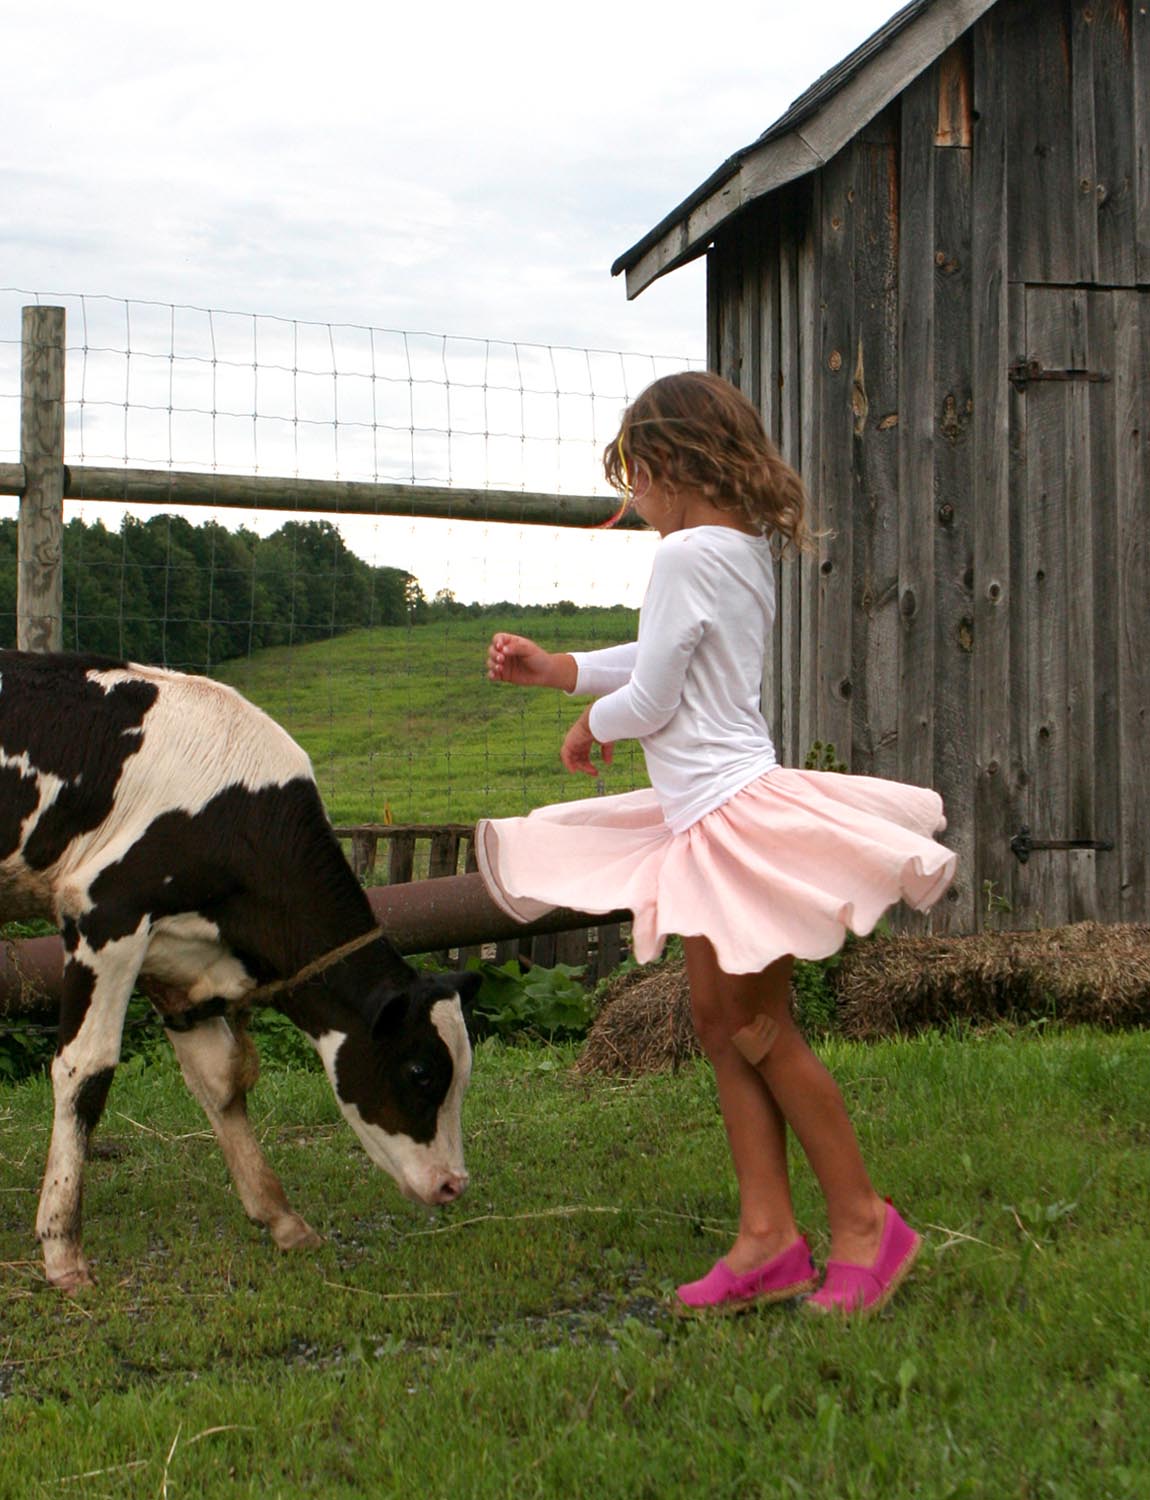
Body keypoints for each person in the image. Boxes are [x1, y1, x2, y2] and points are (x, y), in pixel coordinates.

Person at [475, 371, 956, 1316]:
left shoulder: (687, 554)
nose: (634, 505)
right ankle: (768, 1239)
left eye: (632, 485)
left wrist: (593, 727)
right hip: (705, 820)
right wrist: (560, 671)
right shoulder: (731, 550)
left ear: (660, 466)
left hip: (728, 814)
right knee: (716, 1020)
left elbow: (651, 695)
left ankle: (865, 1223)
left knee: (757, 1028)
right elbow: (660, 656)